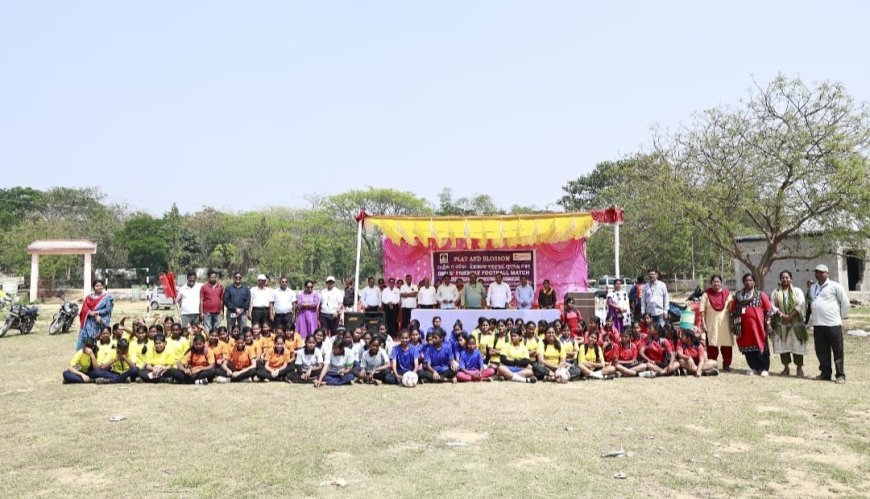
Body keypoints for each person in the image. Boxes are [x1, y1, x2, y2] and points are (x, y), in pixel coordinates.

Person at [809, 264, 850, 384]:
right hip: (818, 325)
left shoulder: (835, 286)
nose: (818, 274)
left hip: (833, 324)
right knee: (821, 351)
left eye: (821, 272)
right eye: (816, 272)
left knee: (837, 350)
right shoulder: (813, 287)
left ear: (827, 273)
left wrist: (840, 317)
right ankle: (825, 373)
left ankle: (840, 375)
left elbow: (845, 303)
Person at [731, 273, 773, 377]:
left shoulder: (760, 294)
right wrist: (733, 325)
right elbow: (733, 310)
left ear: (754, 282)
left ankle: (764, 368)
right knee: (747, 348)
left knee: (761, 347)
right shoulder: (739, 296)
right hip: (744, 328)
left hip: (758, 327)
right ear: (743, 282)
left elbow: (768, 310)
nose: (748, 282)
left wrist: (768, 324)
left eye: (750, 280)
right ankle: (754, 368)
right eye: (746, 280)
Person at [769, 270, 808, 378]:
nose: (785, 279)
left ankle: (799, 368)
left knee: (797, 345)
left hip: (796, 323)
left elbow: (801, 303)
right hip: (781, 322)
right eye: (782, 278)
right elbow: (772, 305)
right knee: (783, 345)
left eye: (787, 277)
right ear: (780, 279)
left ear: (791, 279)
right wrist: (781, 314)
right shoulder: (776, 292)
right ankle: (786, 368)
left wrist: (790, 316)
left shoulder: (797, 291)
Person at [700, 275, 735, 372]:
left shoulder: (727, 294)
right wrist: (703, 323)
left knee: (726, 345)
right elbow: (702, 310)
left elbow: (732, 309)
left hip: (725, 324)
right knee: (712, 345)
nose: (716, 284)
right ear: (711, 283)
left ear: (721, 283)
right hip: (711, 324)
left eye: (718, 281)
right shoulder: (706, 294)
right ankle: (712, 364)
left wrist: (732, 323)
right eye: (714, 282)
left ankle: (727, 365)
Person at [77, 279, 113, 350]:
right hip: (89, 322)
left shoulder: (107, 297)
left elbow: (108, 309)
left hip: (101, 320)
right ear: (93, 287)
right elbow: (84, 309)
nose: (99, 287)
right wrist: (89, 313)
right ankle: (84, 352)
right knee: (88, 337)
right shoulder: (89, 297)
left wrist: (97, 313)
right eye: (97, 286)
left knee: (101, 337)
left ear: (103, 287)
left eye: (100, 286)